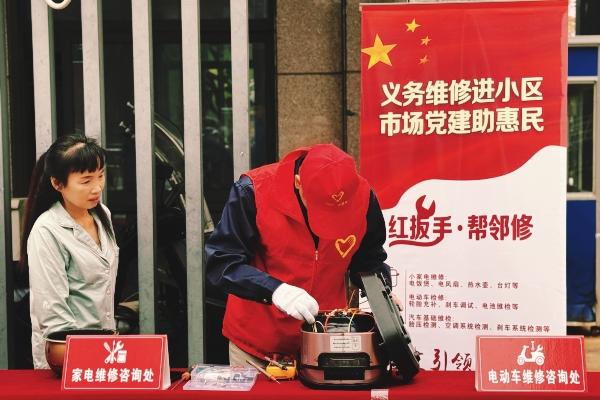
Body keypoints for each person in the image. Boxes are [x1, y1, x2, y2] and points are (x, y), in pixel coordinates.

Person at [205, 143, 392, 366]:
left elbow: (368, 258)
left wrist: (381, 293)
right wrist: (275, 290)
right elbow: (222, 262)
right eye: (321, 209)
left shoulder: (362, 198)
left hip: (326, 341)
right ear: (298, 183)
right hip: (256, 344)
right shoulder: (253, 191)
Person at [20, 135, 119, 369]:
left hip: (104, 351)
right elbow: (53, 313)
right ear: (57, 184)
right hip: (66, 358)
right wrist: (82, 360)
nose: (97, 187)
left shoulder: (102, 214)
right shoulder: (47, 230)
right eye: (86, 181)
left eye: (101, 175)